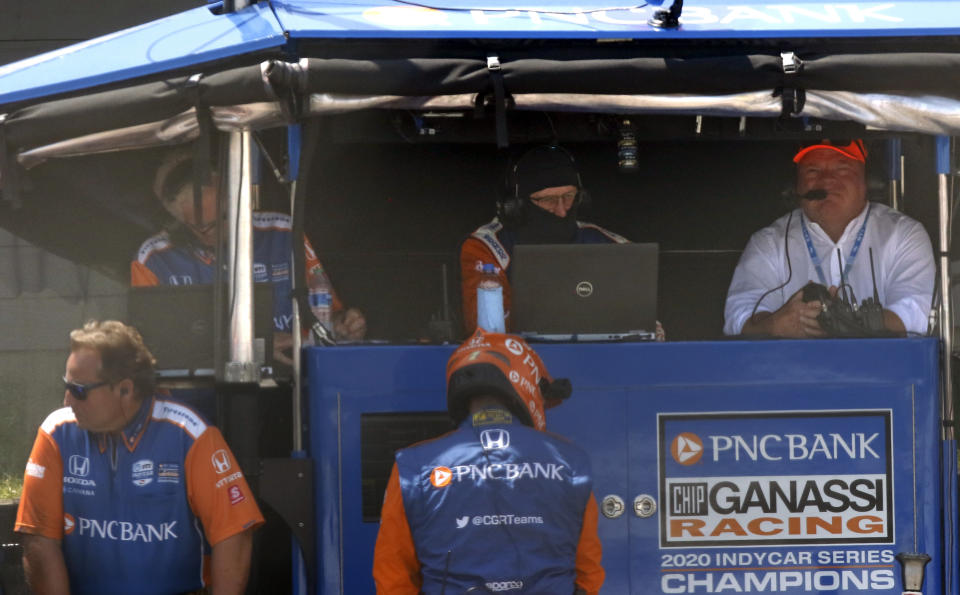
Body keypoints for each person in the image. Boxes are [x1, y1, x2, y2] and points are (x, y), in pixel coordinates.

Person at [14, 320, 264, 594]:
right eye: (67, 386)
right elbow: (39, 539)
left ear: (125, 389)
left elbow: (234, 535)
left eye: (79, 391)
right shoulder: (55, 433)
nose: (67, 402)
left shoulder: (189, 435)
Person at [372, 328, 605, 594]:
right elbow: (588, 571)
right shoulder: (571, 462)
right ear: (525, 384)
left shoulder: (413, 468)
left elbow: (392, 576)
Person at [131, 147, 366, 364]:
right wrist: (254, 347)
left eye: (226, 216)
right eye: (205, 227)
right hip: (198, 398)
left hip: (294, 385)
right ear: (179, 223)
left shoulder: (285, 233)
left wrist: (341, 325)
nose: (222, 229)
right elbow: (147, 351)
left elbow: (326, 312)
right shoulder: (153, 259)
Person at [724, 139, 935, 338]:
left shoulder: (903, 234)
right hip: (795, 372)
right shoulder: (768, 242)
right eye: (813, 170)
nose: (826, 180)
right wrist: (775, 324)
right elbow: (738, 318)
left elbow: (917, 315)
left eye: (841, 168)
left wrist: (850, 322)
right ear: (795, 186)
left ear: (867, 182)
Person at [460, 145, 632, 334]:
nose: (562, 210)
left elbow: (639, 315)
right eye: (548, 200)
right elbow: (486, 330)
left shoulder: (611, 246)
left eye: (568, 197)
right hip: (521, 359)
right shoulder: (487, 248)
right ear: (517, 206)